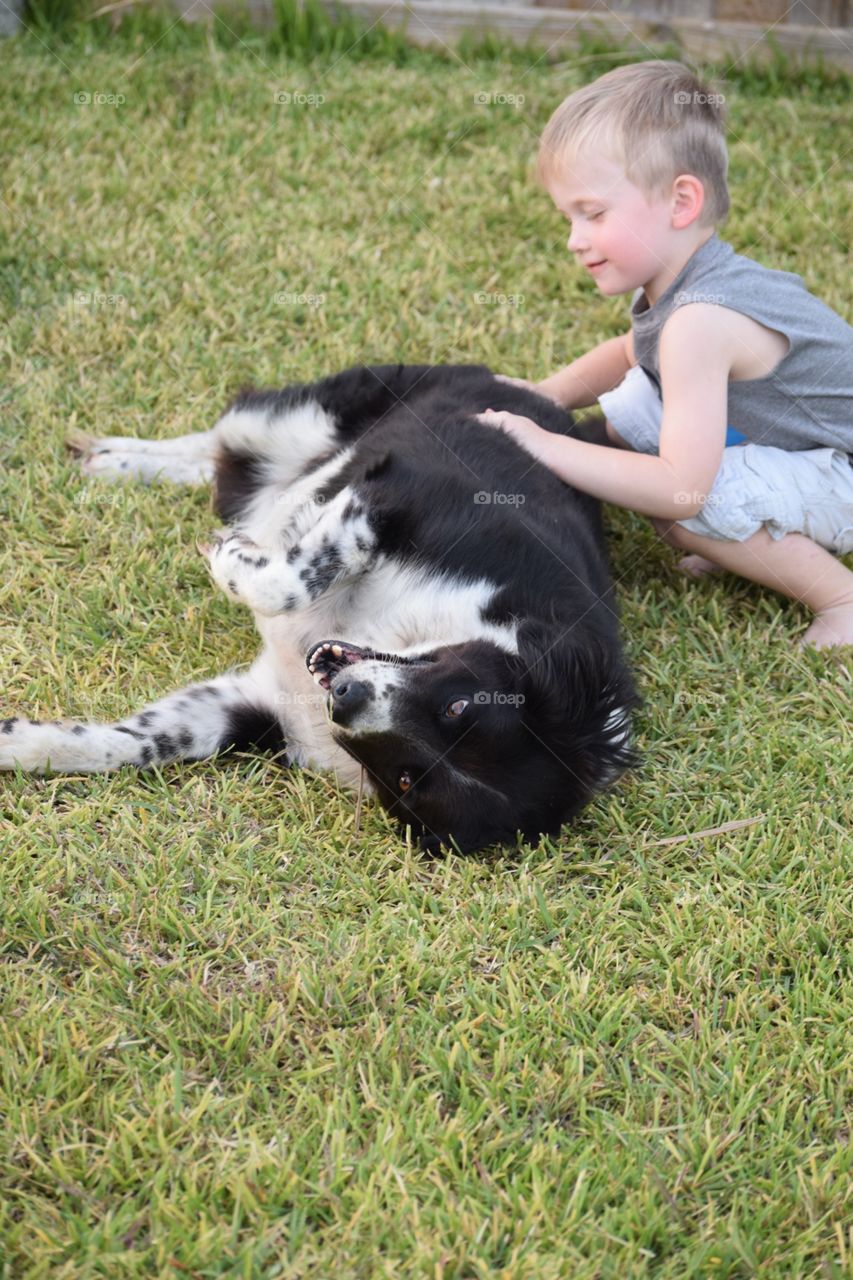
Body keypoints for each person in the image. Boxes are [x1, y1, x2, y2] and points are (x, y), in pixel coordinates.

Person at [478, 60, 853, 649]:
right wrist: (545, 394)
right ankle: (748, 540)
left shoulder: (700, 321)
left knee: (681, 513)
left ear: (681, 202)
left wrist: (548, 444)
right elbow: (629, 350)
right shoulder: (681, 283)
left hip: (842, 472)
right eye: (568, 217)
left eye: (593, 213)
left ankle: (839, 598)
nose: (574, 240)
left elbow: (681, 488)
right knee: (634, 411)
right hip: (798, 446)